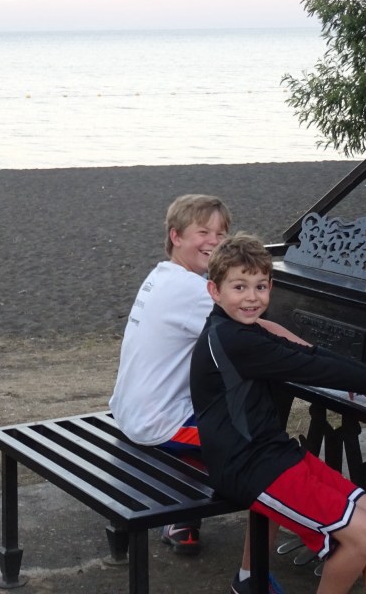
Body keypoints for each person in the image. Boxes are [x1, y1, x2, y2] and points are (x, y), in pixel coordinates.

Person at [190, 233, 366, 594]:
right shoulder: (233, 340)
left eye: (260, 286)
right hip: (248, 467)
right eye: (239, 287)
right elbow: (311, 368)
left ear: (271, 286)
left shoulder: (243, 331)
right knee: (362, 536)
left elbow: (312, 356)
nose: (252, 297)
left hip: (272, 453)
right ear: (215, 291)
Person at [109, 194, 302, 563]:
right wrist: (313, 353)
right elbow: (259, 334)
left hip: (131, 409)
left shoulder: (162, 275)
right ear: (176, 236)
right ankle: (257, 566)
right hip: (159, 423)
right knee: (264, 453)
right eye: (203, 231)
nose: (214, 241)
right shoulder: (191, 289)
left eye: (222, 232)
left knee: (238, 413)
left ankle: (187, 518)